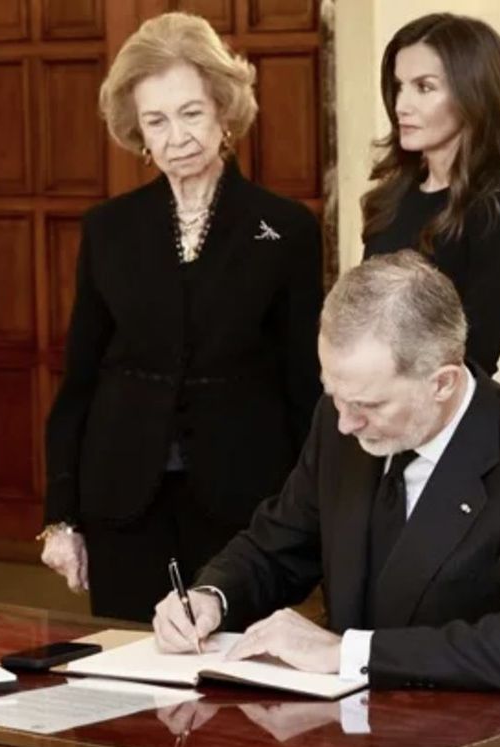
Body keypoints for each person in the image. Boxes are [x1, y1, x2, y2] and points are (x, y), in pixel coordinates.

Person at [151, 250, 500, 692]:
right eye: (334, 396)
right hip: (337, 726)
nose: (346, 422)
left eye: (368, 405)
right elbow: (279, 546)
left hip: (462, 733)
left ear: (443, 382)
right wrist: (212, 597)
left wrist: (347, 653)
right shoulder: (341, 420)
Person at [39, 12, 324, 622]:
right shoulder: (109, 230)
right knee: (126, 681)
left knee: (237, 687)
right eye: (156, 121)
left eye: (191, 112)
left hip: (243, 502)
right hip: (122, 497)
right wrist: (60, 517)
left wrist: (316, 516)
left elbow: (305, 384)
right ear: (137, 131)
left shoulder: (286, 230)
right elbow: (79, 381)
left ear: (224, 109)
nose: (177, 137)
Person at [360, 13, 500, 376]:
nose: (402, 105)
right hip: (369, 405)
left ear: (473, 94)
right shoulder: (390, 198)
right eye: (399, 86)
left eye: (424, 87)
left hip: (436, 417)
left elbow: (474, 355)